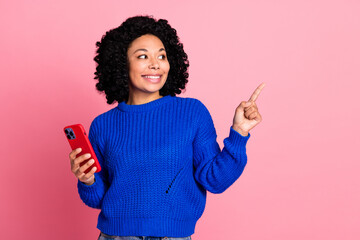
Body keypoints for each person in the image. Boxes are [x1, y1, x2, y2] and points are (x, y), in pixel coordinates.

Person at [68, 15, 264, 240]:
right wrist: (87, 180)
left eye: (162, 55)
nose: (156, 64)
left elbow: (215, 180)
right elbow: (98, 198)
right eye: (143, 56)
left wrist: (239, 133)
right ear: (122, 63)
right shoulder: (103, 125)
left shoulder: (192, 112)